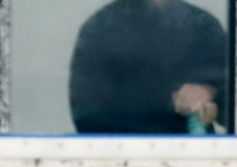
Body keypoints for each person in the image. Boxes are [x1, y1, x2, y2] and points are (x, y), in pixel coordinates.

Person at [69, 0, 226, 134]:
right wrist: (168, 102)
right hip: (120, 158)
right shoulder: (100, 29)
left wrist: (210, 94)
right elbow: (87, 115)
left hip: (197, 159)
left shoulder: (204, 27)